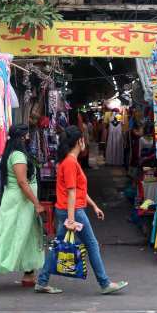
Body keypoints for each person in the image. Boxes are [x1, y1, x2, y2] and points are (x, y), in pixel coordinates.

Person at [35, 125, 128, 295]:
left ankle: (42, 281)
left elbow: (77, 191)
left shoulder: (68, 161)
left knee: (58, 245)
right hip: (73, 211)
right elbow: (71, 192)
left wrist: (93, 206)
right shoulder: (70, 162)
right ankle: (104, 283)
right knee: (91, 244)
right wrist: (71, 219)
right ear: (79, 141)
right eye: (83, 138)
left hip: (68, 210)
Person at [0, 124, 46, 291]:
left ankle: (29, 273)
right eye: (27, 136)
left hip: (20, 202)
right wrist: (36, 203)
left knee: (27, 235)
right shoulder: (18, 156)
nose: (29, 139)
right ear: (21, 138)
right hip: (19, 202)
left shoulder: (12, 154)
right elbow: (23, 182)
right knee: (7, 234)